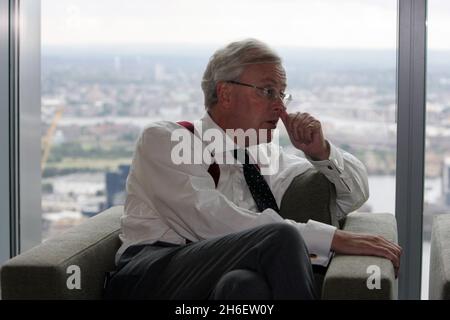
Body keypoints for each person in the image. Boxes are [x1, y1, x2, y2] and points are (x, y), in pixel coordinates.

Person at [104, 39, 402, 300]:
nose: (280, 108)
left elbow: (352, 196)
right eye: (268, 91)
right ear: (226, 93)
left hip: (220, 276)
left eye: (283, 94)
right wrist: (331, 239)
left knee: (244, 287)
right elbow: (210, 221)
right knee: (282, 236)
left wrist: (320, 152)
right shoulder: (167, 139)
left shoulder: (262, 157)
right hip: (149, 274)